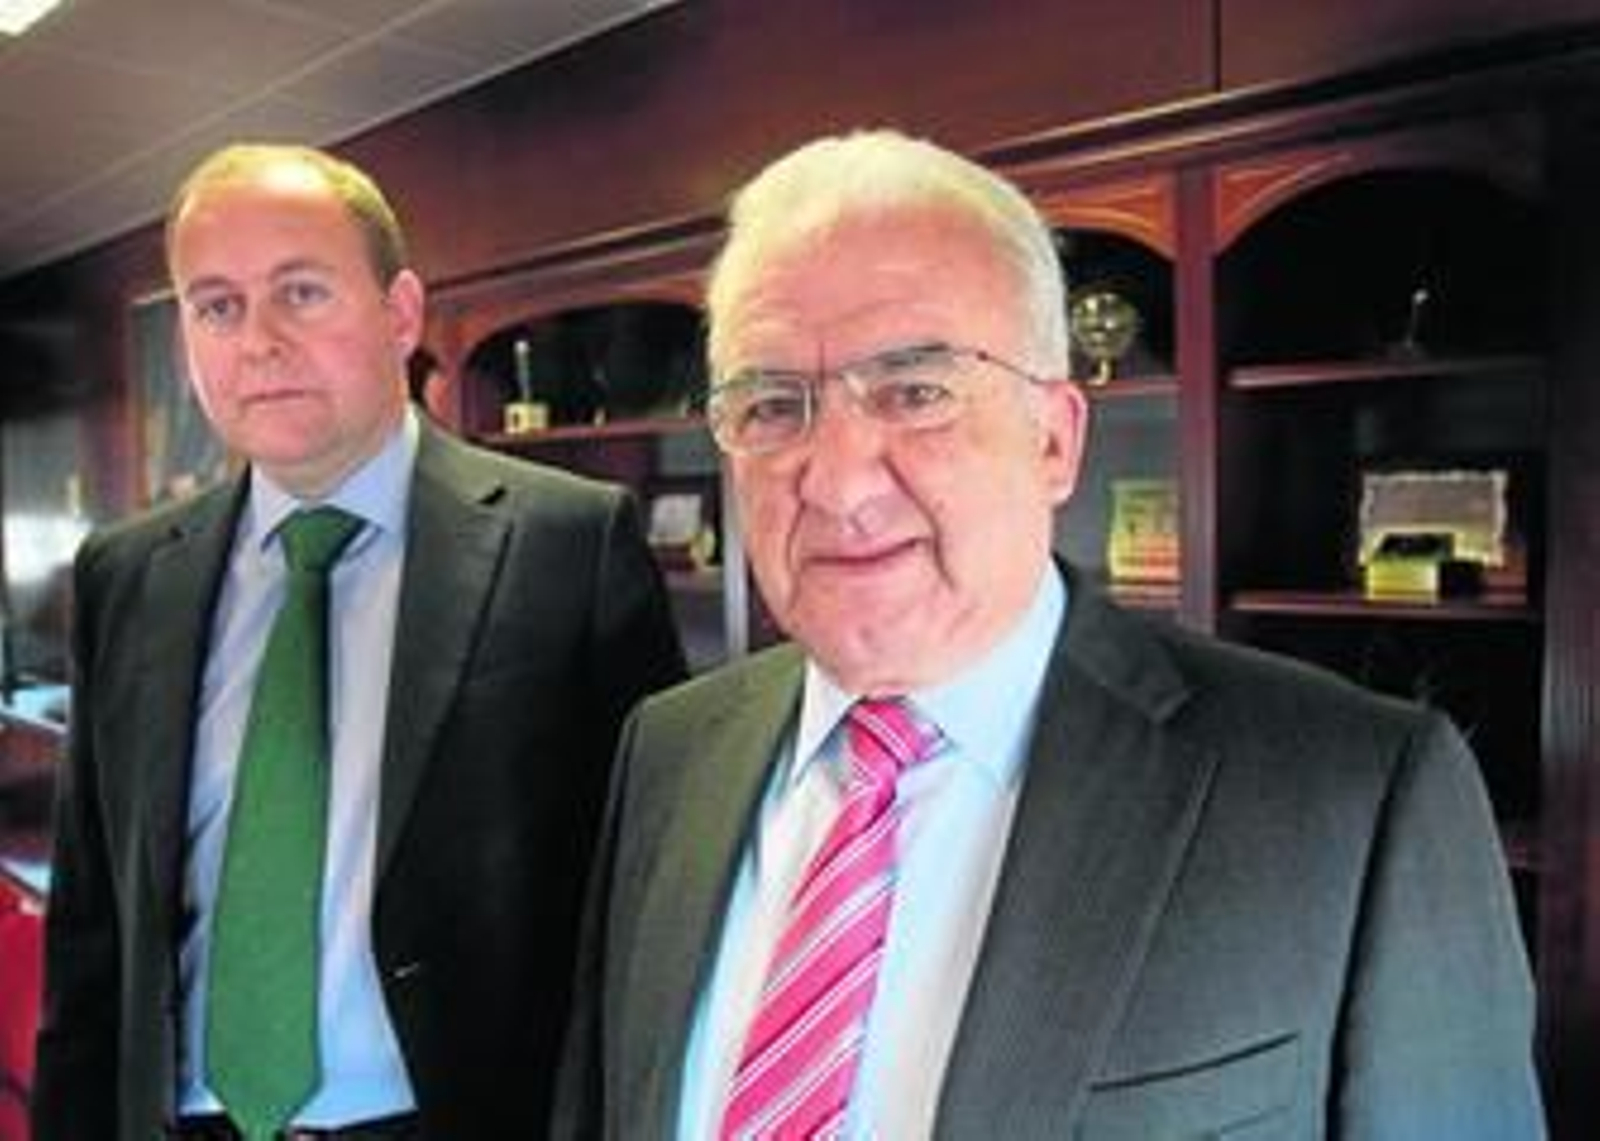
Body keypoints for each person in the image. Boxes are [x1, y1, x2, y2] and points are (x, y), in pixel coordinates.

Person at [553, 130, 1545, 1139]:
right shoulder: (668, 751)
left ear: (1055, 440)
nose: (838, 482)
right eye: (771, 404)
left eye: (916, 391)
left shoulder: (1356, 797)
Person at [32, 143, 687, 1139]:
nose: (258, 341)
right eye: (217, 306)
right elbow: (91, 930)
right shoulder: (125, 575)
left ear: (401, 313)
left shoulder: (569, 544)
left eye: (300, 292)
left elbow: (648, 898)